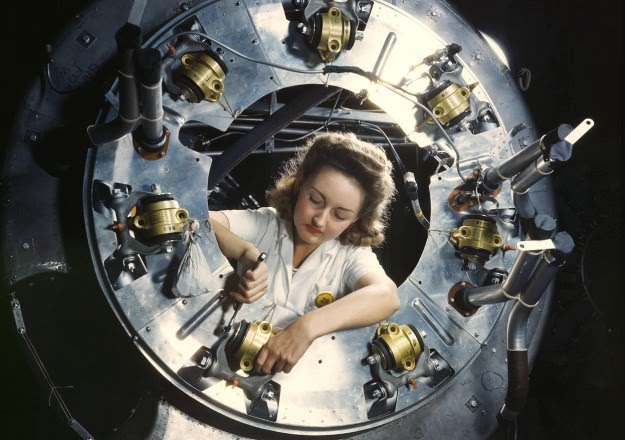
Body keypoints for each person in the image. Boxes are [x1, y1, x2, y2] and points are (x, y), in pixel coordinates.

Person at [209, 131, 400, 375]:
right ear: (299, 185)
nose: (320, 220)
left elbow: (386, 296)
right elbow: (199, 222)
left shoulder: (352, 255)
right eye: (315, 199)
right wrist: (246, 252)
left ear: (354, 221)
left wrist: (306, 327)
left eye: (340, 215)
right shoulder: (267, 224)